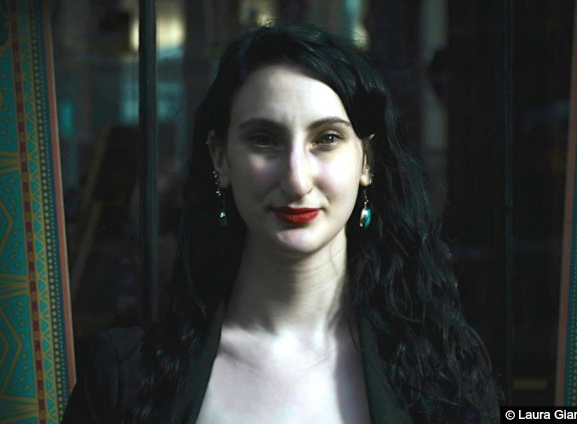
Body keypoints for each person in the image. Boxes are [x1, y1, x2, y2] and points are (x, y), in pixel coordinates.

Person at [63, 23, 501, 423]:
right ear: (221, 158)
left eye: (327, 139)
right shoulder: (124, 377)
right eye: (264, 139)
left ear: (366, 160)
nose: (296, 179)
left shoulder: (442, 371)